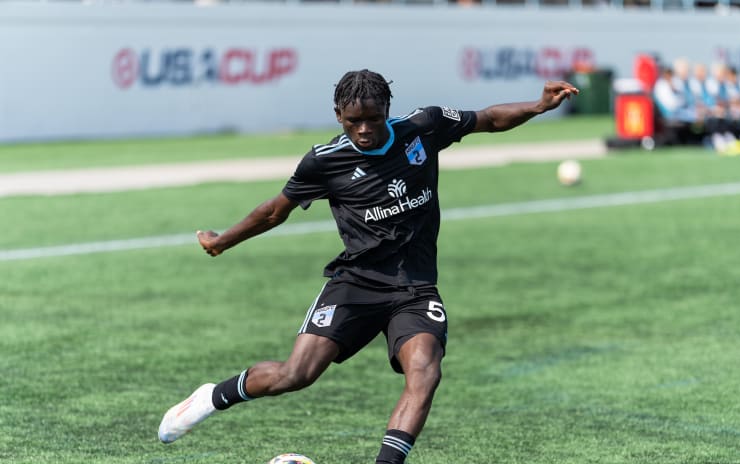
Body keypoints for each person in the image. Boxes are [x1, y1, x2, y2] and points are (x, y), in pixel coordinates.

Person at [156, 69, 578, 464]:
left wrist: (537, 106)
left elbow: (487, 119)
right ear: (338, 116)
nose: (363, 129)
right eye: (352, 121)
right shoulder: (324, 162)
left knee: (425, 371)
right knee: (295, 375)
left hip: (414, 288)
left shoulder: (423, 128)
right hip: (355, 283)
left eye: (373, 119)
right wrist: (222, 240)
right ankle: (212, 397)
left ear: (387, 112)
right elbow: (273, 212)